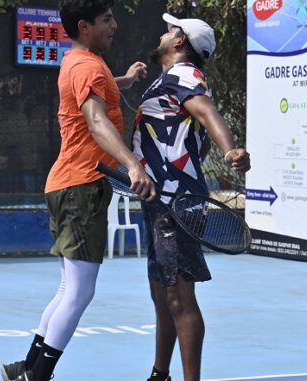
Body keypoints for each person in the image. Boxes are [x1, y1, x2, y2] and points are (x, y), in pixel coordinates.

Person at [0, 1, 156, 381]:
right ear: (84, 26)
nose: (114, 26)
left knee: (68, 288)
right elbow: (97, 120)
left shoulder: (80, 62)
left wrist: (124, 81)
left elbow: (97, 91)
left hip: (68, 185)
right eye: (107, 20)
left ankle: (26, 368)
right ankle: (37, 377)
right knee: (80, 293)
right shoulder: (87, 66)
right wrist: (133, 164)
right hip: (80, 187)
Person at [132, 13, 251, 381]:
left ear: (180, 42)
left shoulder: (185, 76)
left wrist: (231, 150)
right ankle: (160, 374)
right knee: (162, 298)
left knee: (179, 300)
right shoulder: (166, 81)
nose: (165, 33)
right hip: (160, 201)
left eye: (171, 30)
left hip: (176, 203)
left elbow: (206, 111)